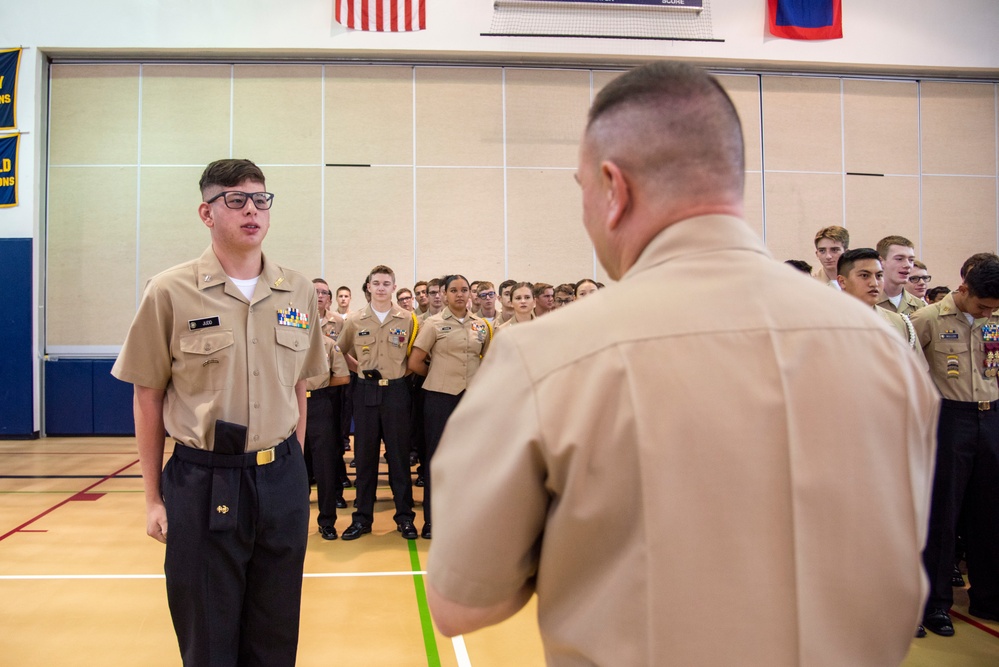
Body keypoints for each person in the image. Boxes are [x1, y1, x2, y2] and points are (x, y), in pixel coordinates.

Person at [425, 62, 937, 666]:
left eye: (582, 190)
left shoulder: (549, 357)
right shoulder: (885, 352)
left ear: (614, 189)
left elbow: (463, 603)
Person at [111, 159, 326, 666]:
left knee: (275, 634)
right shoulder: (170, 291)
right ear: (207, 213)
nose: (252, 209)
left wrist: (290, 469)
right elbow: (147, 395)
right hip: (203, 479)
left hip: (280, 481)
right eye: (236, 200)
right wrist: (152, 498)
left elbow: (300, 385)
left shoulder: (296, 291)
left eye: (260, 199)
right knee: (208, 636)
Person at [910, 256, 999, 636]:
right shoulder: (928, 319)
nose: (988, 312)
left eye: (994, 308)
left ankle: (988, 596)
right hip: (949, 420)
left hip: (991, 417)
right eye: (982, 306)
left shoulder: (996, 318)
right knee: (944, 514)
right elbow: (909, 373)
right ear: (963, 289)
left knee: (990, 514)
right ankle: (935, 604)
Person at [336, 265, 419, 540]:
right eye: (376, 283)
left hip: (396, 392)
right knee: (365, 457)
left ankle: (405, 518)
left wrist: (401, 374)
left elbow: (416, 355)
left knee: (398, 457)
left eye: (387, 283)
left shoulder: (408, 319)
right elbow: (342, 349)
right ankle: (362, 519)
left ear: (394, 287)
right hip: (366, 391)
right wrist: (359, 368)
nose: (381, 288)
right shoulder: (356, 319)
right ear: (369, 287)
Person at [408, 275, 491, 540]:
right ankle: (432, 520)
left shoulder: (481, 326)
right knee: (437, 460)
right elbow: (415, 362)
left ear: (470, 294)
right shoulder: (433, 324)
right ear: (443, 294)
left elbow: (488, 360)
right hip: (440, 399)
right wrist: (438, 375)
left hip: (471, 400)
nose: (459, 294)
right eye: (453, 290)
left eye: (464, 290)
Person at [837, 248, 917, 348]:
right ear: (842, 281)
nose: (874, 283)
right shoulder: (824, 323)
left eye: (879, 276)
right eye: (864, 275)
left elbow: (916, 362)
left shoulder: (900, 323)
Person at [876, 235, 925, 315]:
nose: (908, 265)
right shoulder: (866, 302)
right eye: (899, 259)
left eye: (911, 260)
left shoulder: (919, 306)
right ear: (881, 261)